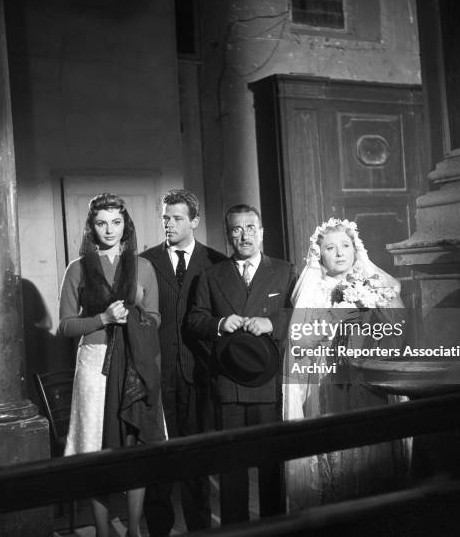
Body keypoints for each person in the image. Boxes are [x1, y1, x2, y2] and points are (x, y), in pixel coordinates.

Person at [59, 193, 164, 537]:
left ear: (126, 225)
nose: (110, 230)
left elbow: (156, 318)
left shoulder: (143, 266)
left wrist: (134, 318)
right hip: (94, 366)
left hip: (135, 362)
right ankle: (104, 531)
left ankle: (134, 529)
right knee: (96, 450)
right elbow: (65, 326)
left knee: (134, 447)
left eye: (116, 222)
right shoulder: (77, 269)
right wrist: (102, 318)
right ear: (91, 227)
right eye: (102, 223)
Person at [186, 204, 297, 525]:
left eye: (250, 228)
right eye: (236, 229)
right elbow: (194, 321)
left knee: (271, 465)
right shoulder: (210, 276)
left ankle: (277, 527)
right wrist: (220, 323)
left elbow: (302, 316)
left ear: (262, 232)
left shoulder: (284, 271)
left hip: (270, 383)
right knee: (232, 466)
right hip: (229, 383)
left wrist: (272, 324)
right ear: (228, 235)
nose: (244, 235)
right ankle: (235, 530)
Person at [285, 218, 407, 509]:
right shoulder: (314, 290)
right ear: (319, 255)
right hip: (328, 378)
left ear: (356, 249)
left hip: (368, 378)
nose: (340, 253)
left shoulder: (375, 284)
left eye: (345, 245)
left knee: (370, 445)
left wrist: (376, 318)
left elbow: (398, 335)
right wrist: (333, 321)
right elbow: (298, 343)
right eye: (330, 247)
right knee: (336, 447)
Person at [141, 189, 227, 536]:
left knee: (196, 461)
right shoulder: (145, 262)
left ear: (194, 221)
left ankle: (200, 529)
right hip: (158, 374)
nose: (169, 224)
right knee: (158, 461)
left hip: (199, 375)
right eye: (165, 218)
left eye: (177, 218)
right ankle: (159, 529)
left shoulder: (217, 263)